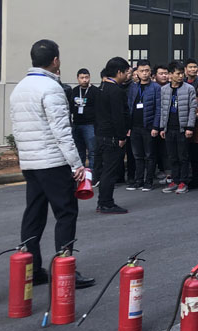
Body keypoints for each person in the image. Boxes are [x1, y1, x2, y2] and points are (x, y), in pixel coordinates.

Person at [10, 40, 94, 289]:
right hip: (53, 161)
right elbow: (62, 131)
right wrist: (77, 164)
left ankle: (32, 268)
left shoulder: (20, 88)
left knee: (34, 214)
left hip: (31, 162)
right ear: (55, 60)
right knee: (66, 212)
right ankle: (64, 269)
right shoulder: (52, 88)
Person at [94, 57, 131, 214]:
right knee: (110, 171)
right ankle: (106, 203)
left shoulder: (100, 88)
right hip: (113, 137)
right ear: (119, 72)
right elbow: (118, 116)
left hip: (101, 134)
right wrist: (122, 136)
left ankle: (103, 201)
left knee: (105, 170)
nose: (127, 75)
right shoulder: (116, 91)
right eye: (126, 72)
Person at [158, 61, 198, 194]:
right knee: (172, 156)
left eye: (182, 73)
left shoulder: (189, 88)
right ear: (170, 74)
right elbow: (162, 109)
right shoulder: (164, 89)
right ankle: (175, 180)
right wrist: (162, 127)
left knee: (183, 156)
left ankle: (183, 182)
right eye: (178, 73)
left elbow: (193, 109)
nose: (181, 76)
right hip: (169, 127)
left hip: (183, 127)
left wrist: (190, 127)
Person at [125, 60, 161, 192]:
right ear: (137, 73)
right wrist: (128, 127)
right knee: (137, 155)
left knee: (149, 155)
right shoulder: (133, 87)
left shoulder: (156, 87)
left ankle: (148, 181)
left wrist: (156, 126)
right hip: (135, 126)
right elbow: (129, 107)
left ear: (150, 72)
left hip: (149, 126)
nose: (144, 73)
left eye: (147, 70)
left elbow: (159, 108)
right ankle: (138, 181)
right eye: (142, 71)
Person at [69, 68, 98, 178]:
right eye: (82, 78)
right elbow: (70, 107)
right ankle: (79, 175)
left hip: (90, 124)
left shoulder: (94, 91)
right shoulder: (75, 91)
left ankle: (92, 176)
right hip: (77, 124)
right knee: (78, 151)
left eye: (86, 77)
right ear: (78, 79)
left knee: (92, 151)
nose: (84, 80)